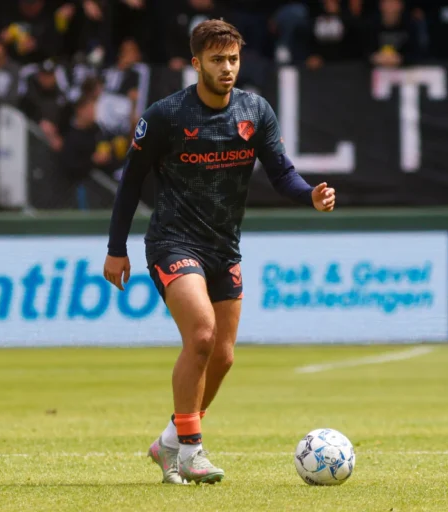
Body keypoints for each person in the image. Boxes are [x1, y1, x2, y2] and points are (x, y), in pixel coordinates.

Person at [102, 19, 335, 485]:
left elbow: (282, 173)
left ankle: (169, 440)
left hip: (224, 248)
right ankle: (191, 449)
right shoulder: (166, 116)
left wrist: (309, 194)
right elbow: (130, 182)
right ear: (197, 64)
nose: (227, 68)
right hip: (172, 242)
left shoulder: (255, 111)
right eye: (216, 60)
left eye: (232, 59)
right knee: (203, 336)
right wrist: (116, 248)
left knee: (223, 357)